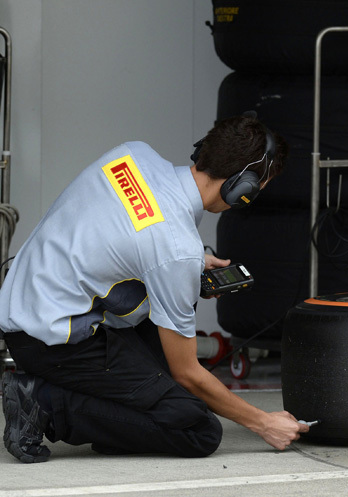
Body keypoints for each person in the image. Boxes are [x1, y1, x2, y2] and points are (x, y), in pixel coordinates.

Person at [0, 115, 309, 463]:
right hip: (52, 341)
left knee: (168, 390)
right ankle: (44, 402)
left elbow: (123, 235)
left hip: (27, 302)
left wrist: (193, 264)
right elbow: (188, 372)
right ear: (242, 188)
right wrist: (263, 422)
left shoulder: (134, 154)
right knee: (197, 428)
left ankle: (110, 423)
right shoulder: (175, 249)